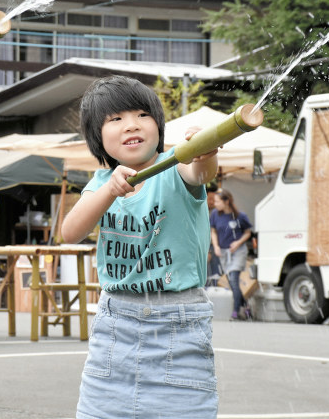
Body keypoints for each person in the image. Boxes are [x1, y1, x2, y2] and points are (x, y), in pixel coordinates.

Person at [61, 76, 219, 419]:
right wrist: (109, 191)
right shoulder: (101, 183)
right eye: (115, 119)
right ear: (97, 137)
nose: (131, 124)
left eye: (142, 114)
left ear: (158, 126)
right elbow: (70, 232)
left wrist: (204, 153)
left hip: (178, 328)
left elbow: (200, 174)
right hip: (115, 328)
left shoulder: (178, 163)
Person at [210, 189, 253, 321]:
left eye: (217, 201)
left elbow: (248, 232)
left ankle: (235, 312)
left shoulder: (240, 216)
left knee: (234, 278)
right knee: (231, 282)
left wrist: (238, 242)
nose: (215, 204)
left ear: (226, 201)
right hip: (223, 252)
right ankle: (246, 306)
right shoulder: (215, 215)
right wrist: (216, 246)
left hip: (238, 252)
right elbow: (214, 231)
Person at [205, 183, 222, 286]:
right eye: (210, 199)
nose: (212, 202)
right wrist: (206, 251)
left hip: (214, 249)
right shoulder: (200, 213)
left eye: (214, 199)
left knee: (216, 276)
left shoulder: (214, 213)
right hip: (206, 249)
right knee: (207, 277)